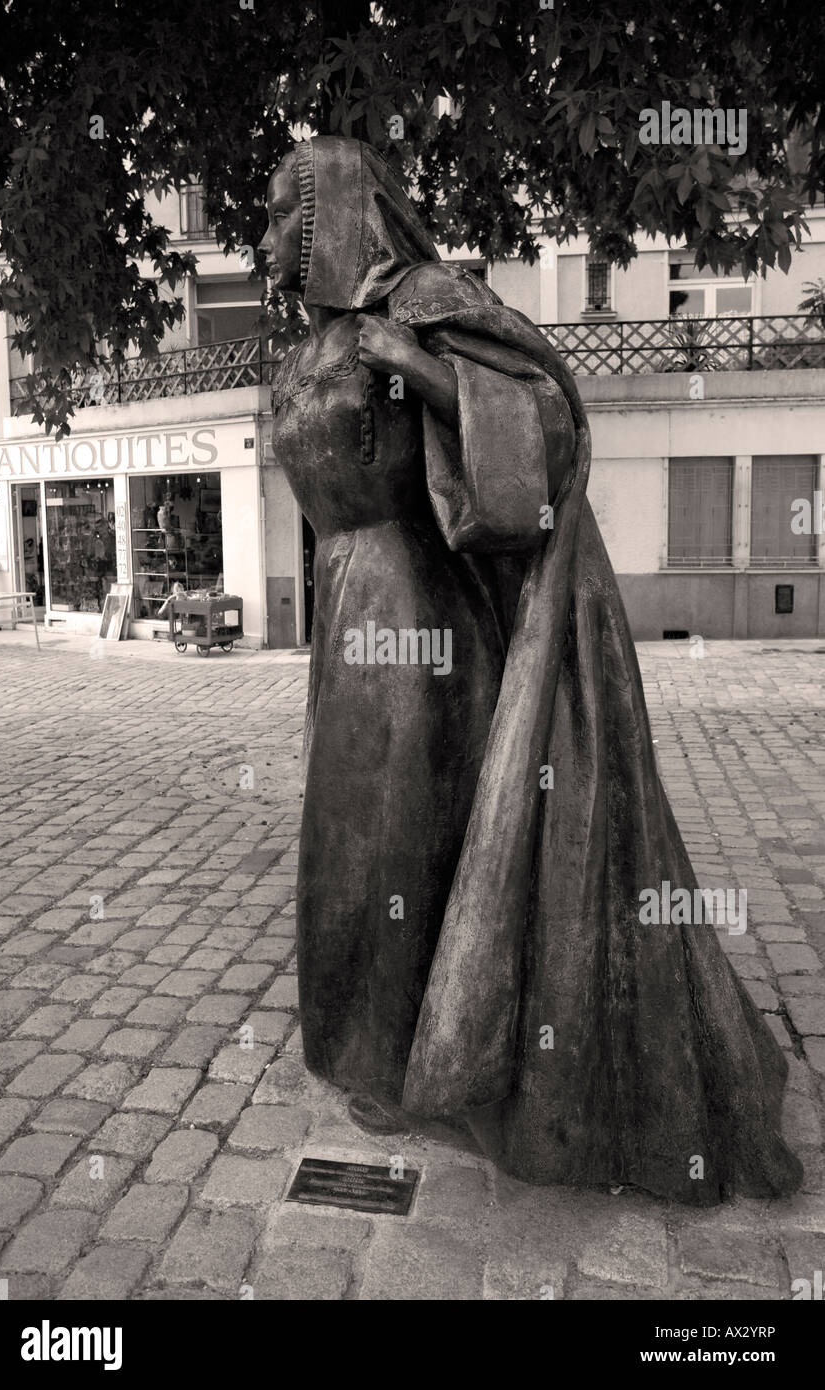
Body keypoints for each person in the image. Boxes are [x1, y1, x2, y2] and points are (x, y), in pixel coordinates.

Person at [259, 136, 802, 1204]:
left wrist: (421, 369)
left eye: (284, 216)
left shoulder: (421, 298)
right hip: (345, 618)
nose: (266, 237)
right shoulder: (308, 345)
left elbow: (549, 424)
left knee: (403, 847)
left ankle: (437, 1058)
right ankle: (366, 1051)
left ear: (333, 215)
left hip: (422, 625)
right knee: (347, 844)